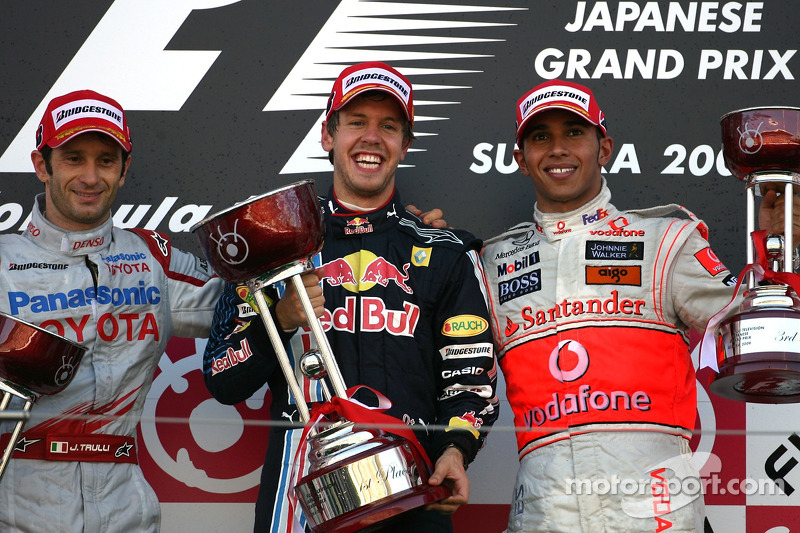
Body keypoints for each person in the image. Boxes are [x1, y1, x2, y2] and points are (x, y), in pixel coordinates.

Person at [480, 79, 800, 532]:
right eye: (540, 136)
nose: (557, 149)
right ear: (520, 158)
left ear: (604, 148)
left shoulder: (663, 241)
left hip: (654, 505)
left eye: (574, 133)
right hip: (544, 510)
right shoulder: (492, 263)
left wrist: (779, 249)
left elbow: (752, 328)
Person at [203, 62, 499, 533]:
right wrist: (280, 318)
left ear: (405, 143)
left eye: (388, 126)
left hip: (414, 492)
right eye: (356, 123)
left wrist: (455, 450)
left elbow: (468, 378)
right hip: (299, 497)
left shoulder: (444, 251)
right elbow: (222, 379)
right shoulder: (269, 248)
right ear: (327, 135)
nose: (371, 138)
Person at [0, 89, 224, 532]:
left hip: (127, 508)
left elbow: (245, 307)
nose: (90, 176)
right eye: (73, 158)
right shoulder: (3, 261)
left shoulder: (152, 259)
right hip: (19, 502)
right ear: (42, 165)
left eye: (105, 160)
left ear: (123, 171)